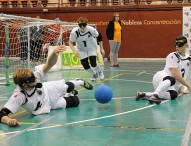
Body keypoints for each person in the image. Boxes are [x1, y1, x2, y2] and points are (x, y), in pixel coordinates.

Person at [0, 45, 93, 127]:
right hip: (46, 106)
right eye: (32, 79)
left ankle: (79, 82)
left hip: (48, 90)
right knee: (75, 101)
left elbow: (50, 64)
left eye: (33, 75)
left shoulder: (35, 77)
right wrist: (9, 121)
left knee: (67, 86)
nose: (35, 78)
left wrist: (54, 53)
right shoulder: (19, 95)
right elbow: (2, 113)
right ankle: (68, 95)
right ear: (24, 84)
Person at [136, 36, 191, 105]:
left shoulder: (188, 58)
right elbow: (175, 75)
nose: (177, 46)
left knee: (174, 95)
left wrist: (180, 89)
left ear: (186, 45)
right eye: (176, 44)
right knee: (172, 79)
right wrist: (188, 85)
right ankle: (154, 96)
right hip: (161, 78)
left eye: (179, 44)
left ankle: (143, 94)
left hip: (169, 84)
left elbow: (183, 74)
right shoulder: (173, 56)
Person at [69, 16, 104, 82]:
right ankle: (94, 74)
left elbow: (99, 37)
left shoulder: (91, 30)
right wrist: (74, 51)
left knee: (93, 62)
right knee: (85, 66)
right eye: (80, 25)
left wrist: (101, 49)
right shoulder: (74, 32)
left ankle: (99, 71)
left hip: (91, 47)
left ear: (87, 24)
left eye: (84, 25)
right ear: (78, 24)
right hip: (81, 49)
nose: (82, 27)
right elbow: (70, 42)